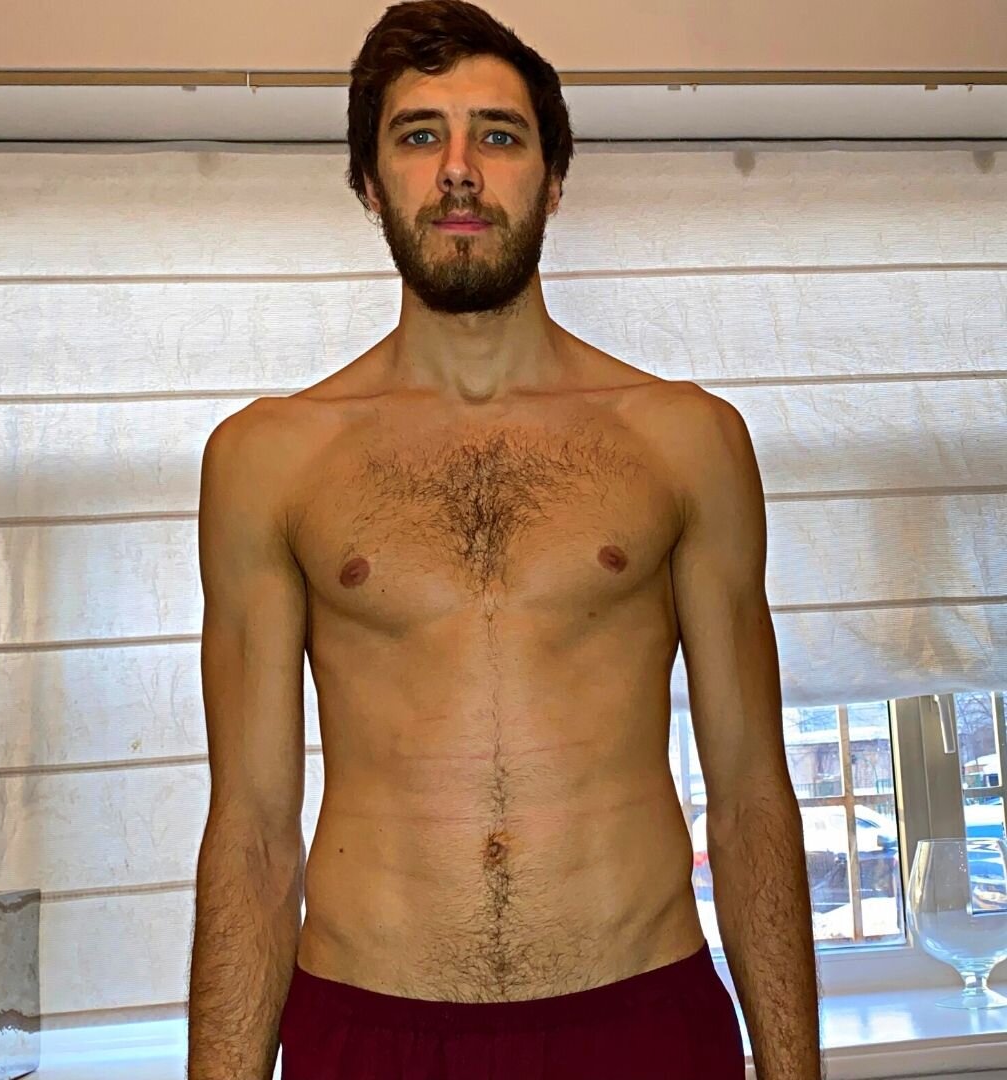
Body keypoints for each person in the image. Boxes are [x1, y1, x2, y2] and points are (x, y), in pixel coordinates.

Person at [187, 2, 823, 1078]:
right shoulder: (268, 460)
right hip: (368, 1029)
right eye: (418, 135)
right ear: (370, 183)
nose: (459, 169)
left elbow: (754, 795)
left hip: (641, 1019)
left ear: (553, 179)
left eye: (499, 133)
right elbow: (250, 833)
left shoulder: (685, 440)